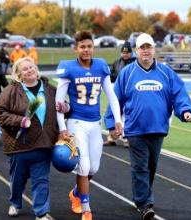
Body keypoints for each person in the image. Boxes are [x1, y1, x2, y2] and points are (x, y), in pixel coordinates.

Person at [104, 33, 191, 220]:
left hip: (158, 128)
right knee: (140, 167)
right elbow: (115, 100)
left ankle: (142, 196)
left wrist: (185, 110)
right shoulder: (127, 74)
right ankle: (145, 204)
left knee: (151, 167)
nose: (145, 51)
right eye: (142, 48)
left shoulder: (165, 72)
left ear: (154, 49)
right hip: (135, 130)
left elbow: (179, 94)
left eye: (149, 47)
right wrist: (111, 123)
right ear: (137, 51)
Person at [55, 31, 122, 220]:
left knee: (94, 169)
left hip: (95, 124)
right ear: (76, 48)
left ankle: (76, 192)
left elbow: (111, 95)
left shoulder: (101, 66)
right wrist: (62, 128)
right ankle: (85, 207)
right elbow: (59, 103)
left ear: (93, 47)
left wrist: (118, 119)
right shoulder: (68, 68)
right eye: (82, 46)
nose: (86, 50)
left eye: (89, 46)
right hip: (76, 123)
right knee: (83, 166)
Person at [0, 57, 59, 220]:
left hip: (44, 144)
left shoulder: (50, 89)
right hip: (19, 145)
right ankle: (15, 203)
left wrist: (66, 107)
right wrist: (19, 121)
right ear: (18, 74)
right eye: (25, 69)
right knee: (18, 179)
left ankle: (41, 212)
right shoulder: (11, 91)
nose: (30, 70)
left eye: (31, 67)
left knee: (41, 180)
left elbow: (62, 109)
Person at [103, 41, 136, 146]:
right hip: (117, 91)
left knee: (127, 114)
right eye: (123, 53)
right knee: (113, 112)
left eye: (127, 53)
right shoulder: (117, 62)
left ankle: (127, 138)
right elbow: (111, 75)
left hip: (130, 92)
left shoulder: (135, 63)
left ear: (131, 53)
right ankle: (112, 137)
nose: (125, 55)